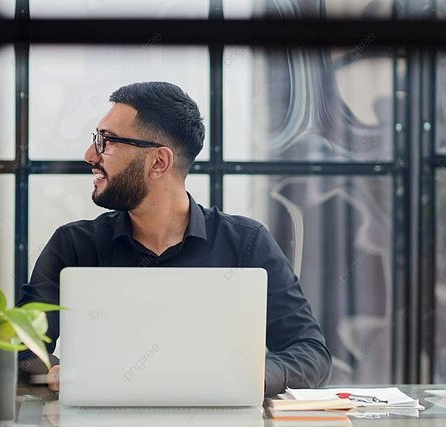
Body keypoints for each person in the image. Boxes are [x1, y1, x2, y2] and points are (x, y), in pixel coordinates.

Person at [17, 81, 332, 396]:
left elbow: (311, 354)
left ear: (158, 162)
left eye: (106, 141)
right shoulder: (73, 245)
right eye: (95, 139)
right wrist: (53, 373)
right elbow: (21, 348)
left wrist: (248, 376)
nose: (90, 155)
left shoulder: (246, 243)